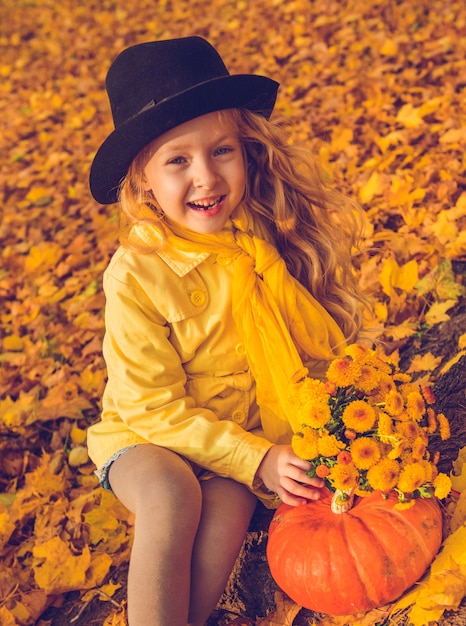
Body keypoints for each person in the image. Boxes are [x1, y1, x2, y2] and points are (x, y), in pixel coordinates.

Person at [87, 36, 367, 626]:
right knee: (173, 495)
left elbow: (307, 346)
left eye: (222, 151)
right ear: (142, 183)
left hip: (236, 449)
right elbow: (150, 407)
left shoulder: (264, 237)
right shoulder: (135, 274)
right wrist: (255, 455)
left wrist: (336, 420)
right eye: (178, 160)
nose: (207, 178)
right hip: (145, 438)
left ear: (246, 151)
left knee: (231, 505)